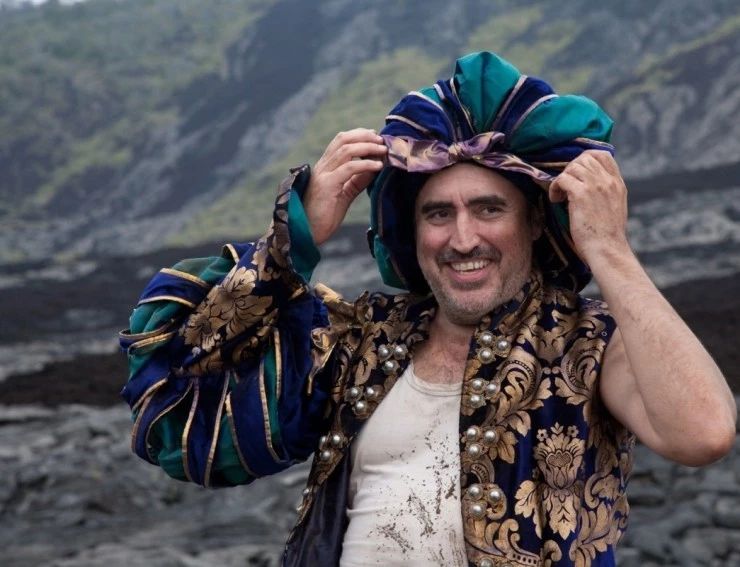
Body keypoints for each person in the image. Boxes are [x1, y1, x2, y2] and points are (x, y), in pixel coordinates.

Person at [120, 52, 736, 566]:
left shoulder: (590, 342)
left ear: (533, 225)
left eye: (489, 209)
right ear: (411, 233)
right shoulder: (362, 340)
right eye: (438, 214)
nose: (463, 239)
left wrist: (607, 247)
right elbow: (179, 384)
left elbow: (704, 433)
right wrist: (292, 243)